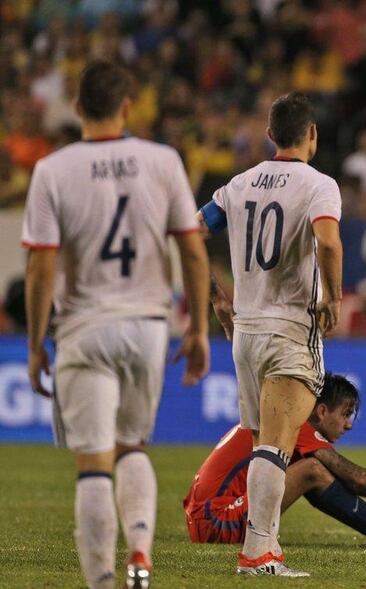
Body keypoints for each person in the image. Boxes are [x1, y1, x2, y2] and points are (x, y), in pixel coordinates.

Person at [22, 60, 210, 589]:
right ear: (128, 107)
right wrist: (196, 328)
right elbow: (192, 253)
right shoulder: (163, 160)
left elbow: (40, 268)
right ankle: (142, 552)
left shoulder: (53, 170)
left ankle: (104, 581)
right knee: (132, 446)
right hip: (148, 326)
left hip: (85, 325)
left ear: (78, 108)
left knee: (93, 464)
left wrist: (36, 343)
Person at [197, 91, 343, 577]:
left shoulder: (238, 184)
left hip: (246, 331)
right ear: (313, 134)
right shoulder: (319, 185)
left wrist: (217, 297)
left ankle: (268, 549)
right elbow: (326, 240)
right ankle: (257, 553)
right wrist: (334, 298)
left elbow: (192, 231)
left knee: (265, 443)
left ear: (269, 134)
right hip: (288, 329)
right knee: (276, 446)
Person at [184, 373, 366, 548]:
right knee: (312, 470)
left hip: (205, 517)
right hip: (217, 522)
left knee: (315, 471)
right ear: (322, 410)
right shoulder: (297, 423)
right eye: (346, 414)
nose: (349, 424)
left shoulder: (283, 416)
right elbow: (356, 479)